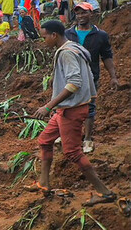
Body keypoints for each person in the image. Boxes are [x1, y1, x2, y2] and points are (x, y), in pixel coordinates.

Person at [29, 20, 116, 206]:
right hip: (65, 109)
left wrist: (48, 106)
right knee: (45, 141)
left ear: (54, 35)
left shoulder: (67, 53)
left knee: (73, 152)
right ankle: (44, 183)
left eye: (45, 37)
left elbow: (74, 83)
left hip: (72, 109)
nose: (43, 41)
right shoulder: (73, 47)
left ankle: (105, 192)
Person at [64, 3, 120, 154]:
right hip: (69, 76)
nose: (81, 16)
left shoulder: (100, 35)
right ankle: (69, 136)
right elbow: (61, 55)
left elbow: (106, 56)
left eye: (84, 13)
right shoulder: (68, 34)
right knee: (68, 105)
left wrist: (113, 76)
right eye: (78, 13)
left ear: (92, 14)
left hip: (90, 76)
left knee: (89, 107)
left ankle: (87, 139)